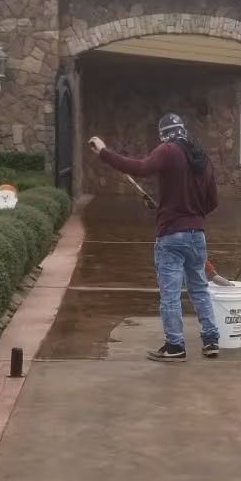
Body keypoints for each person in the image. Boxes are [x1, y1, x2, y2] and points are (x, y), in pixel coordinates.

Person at [88, 113, 221, 362]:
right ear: (183, 130)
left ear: (163, 135)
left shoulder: (168, 150)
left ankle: (175, 346)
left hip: (171, 236)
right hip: (197, 235)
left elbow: (140, 168)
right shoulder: (201, 156)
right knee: (200, 289)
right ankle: (211, 340)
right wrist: (190, 213)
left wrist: (104, 153)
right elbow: (212, 201)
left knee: (170, 294)